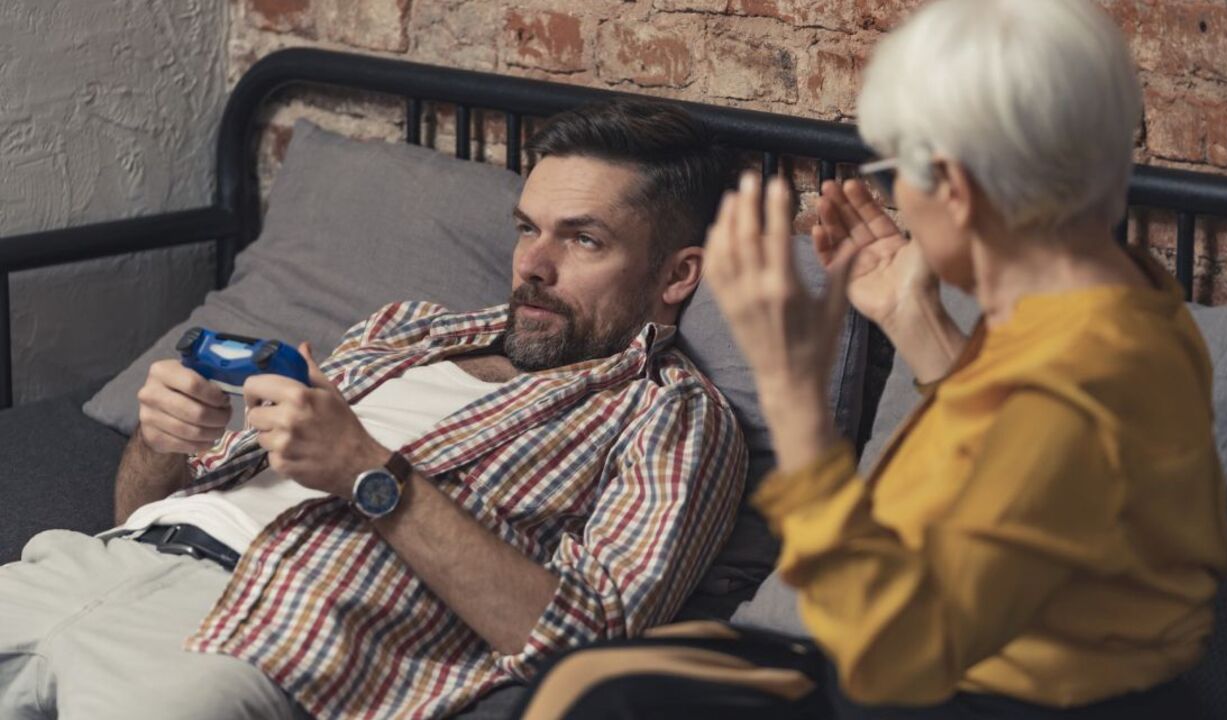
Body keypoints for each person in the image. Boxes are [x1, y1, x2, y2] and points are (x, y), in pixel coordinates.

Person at [512, 1, 1227, 718]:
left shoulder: (1069, 386)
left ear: (954, 184)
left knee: (600, 698)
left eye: (894, 171)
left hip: (976, 695)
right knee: (600, 679)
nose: (897, 201)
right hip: (987, 673)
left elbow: (888, 655)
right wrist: (911, 319)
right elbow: (1018, 472)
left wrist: (793, 396)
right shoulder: (1123, 305)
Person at [0, 99, 748, 720]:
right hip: (93, 561)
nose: (532, 266)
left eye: (584, 239)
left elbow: (590, 648)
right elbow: (138, 505)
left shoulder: (669, 414)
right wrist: (162, 441)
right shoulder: (410, 328)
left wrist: (367, 471)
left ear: (678, 273)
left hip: (244, 637)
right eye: (527, 228)